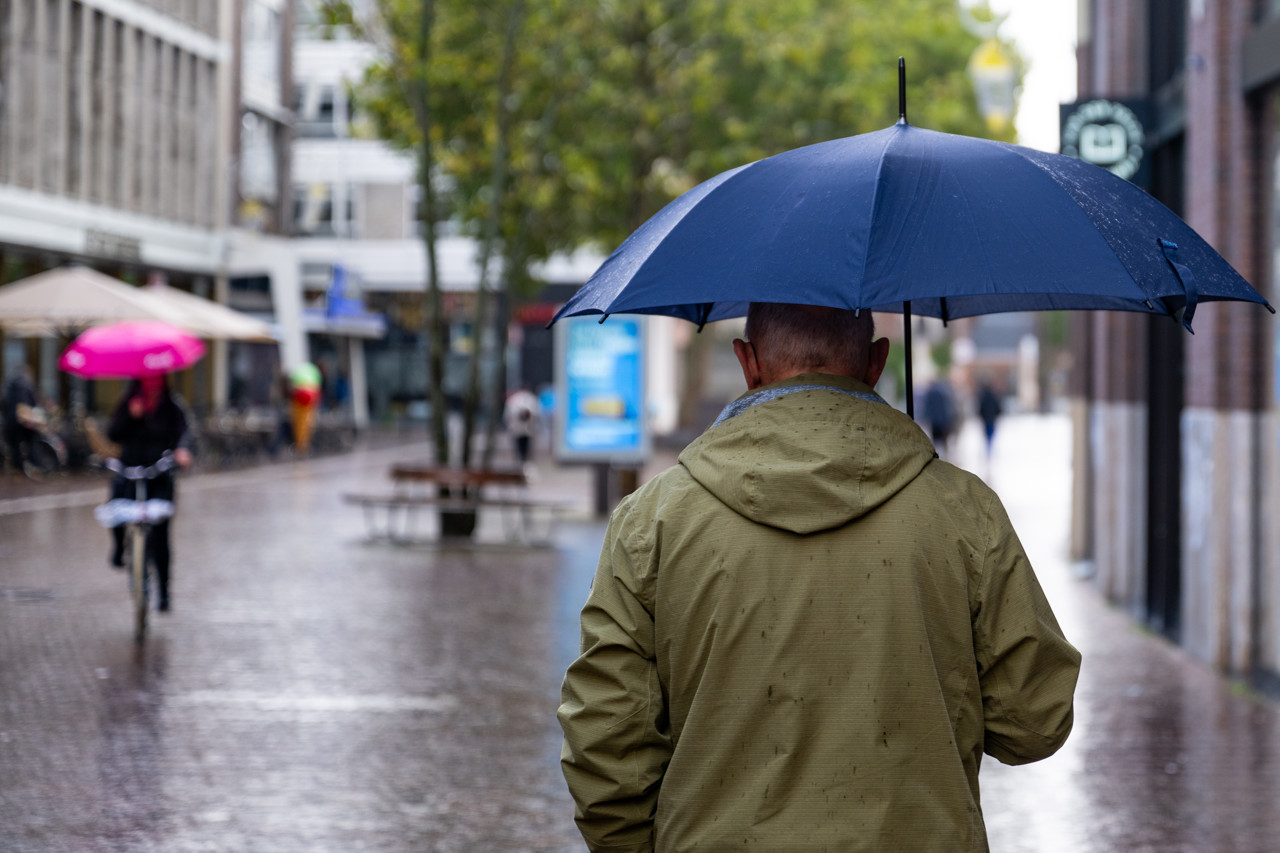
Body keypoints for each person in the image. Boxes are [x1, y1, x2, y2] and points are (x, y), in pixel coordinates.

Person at [558, 303, 1080, 852]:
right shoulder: (964, 510)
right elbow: (1033, 719)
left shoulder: (653, 521)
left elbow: (606, 739)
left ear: (747, 361)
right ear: (877, 362)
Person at [106, 375, 193, 612]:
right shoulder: (129, 402)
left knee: (161, 536)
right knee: (115, 506)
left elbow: (184, 433)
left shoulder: (173, 406)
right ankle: (118, 547)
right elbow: (113, 433)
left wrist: (183, 450)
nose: (152, 385)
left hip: (159, 474)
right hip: (131, 470)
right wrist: (130, 416)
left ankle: (163, 592)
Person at [2, 365, 38, 476]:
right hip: (23, 420)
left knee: (14, 447)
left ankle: (17, 469)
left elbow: (3, 403)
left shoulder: (9, 386)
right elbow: (30, 403)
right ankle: (34, 466)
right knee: (30, 442)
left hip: (9, 421)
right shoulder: (25, 385)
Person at [922, 375, 958, 457]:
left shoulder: (930, 392)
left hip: (934, 421)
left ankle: (937, 455)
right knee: (943, 441)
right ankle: (945, 455)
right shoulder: (943, 392)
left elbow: (927, 407)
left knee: (935, 440)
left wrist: (926, 417)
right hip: (943, 421)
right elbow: (947, 408)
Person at [503, 386, 540, 467]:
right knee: (525, 445)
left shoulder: (513, 400)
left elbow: (508, 415)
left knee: (520, 445)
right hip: (525, 428)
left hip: (520, 428)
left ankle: (521, 461)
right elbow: (537, 413)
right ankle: (524, 461)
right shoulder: (531, 399)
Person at [977, 377, 1003, 457]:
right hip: (992, 420)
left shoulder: (983, 397)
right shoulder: (994, 397)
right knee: (991, 436)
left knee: (987, 436)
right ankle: (989, 451)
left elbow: (980, 409)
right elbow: (998, 409)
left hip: (986, 420)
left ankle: (988, 451)